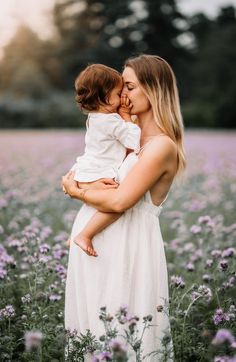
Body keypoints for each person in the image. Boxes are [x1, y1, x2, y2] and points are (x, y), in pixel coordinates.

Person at [62, 54, 186, 361]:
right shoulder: (131, 140)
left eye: (128, 86)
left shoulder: (161, 146)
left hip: (128, 250)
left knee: (123, 334)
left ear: (153, 90)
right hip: (97, 249)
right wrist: (82, 184)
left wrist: (75, 191)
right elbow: (99, 173)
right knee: (93, 334)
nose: (123, 95)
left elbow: (119, 201)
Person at [67, 64, 141, 257]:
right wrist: (126, 116)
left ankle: (76, 232)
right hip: (99, 171)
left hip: (86, 168)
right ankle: (85, 234)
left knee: (95, 203)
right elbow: (133, 141)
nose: (123, 96)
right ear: (105, 97)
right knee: (117, 204)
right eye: (118, 93)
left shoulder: (94, 117)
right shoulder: (111, 121)